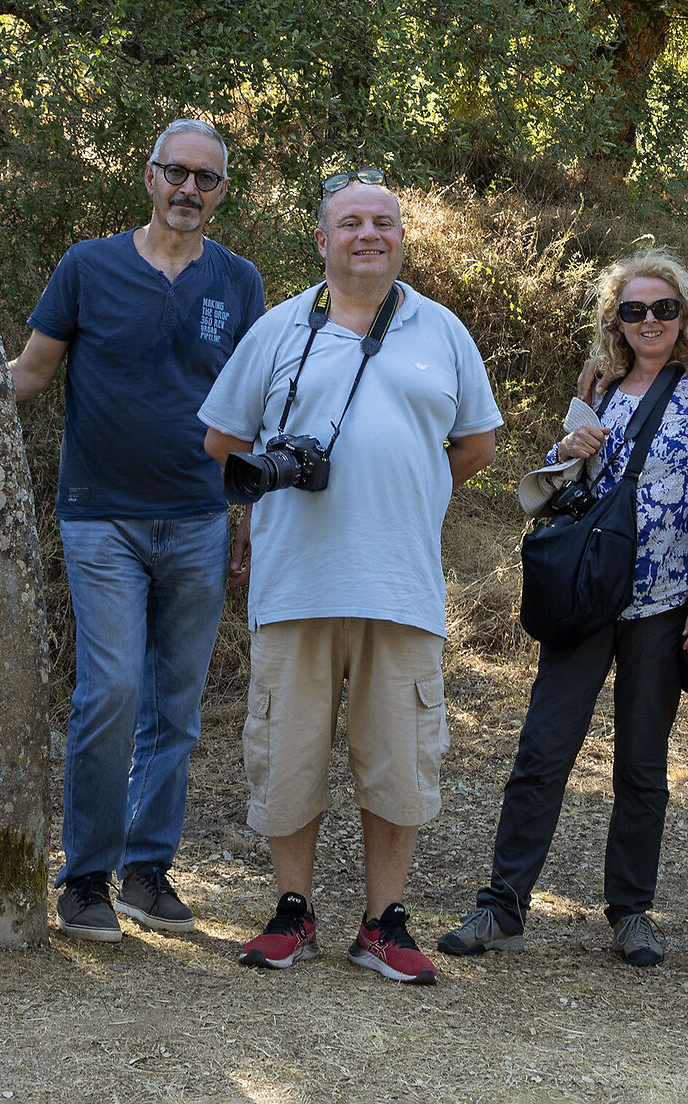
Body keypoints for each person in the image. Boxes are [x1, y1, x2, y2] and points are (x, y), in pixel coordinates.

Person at [199, 171, 501, 984]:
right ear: (323, 239)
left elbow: (476, 447)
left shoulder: (442, 330)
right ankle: (291, 914)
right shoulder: (275, 330)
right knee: (288, 754)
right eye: (352, 222)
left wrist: (403, 491)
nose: (370, 233)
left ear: (402, 237)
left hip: (400, 583)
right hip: (296, 583)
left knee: (398, 758)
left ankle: (384, 922)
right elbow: (222, 443)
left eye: (385, 222)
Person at [438, 250, 688, 968]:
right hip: (588, 596)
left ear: (686, 314)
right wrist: (568, 445)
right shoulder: (598, 391)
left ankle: (632, 912)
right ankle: (502, 905)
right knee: (543, 750)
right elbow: (554, 490)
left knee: (642, 763)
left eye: (663, 309)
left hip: (665, 604)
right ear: (616, 320)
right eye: (633, 310)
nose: (649, 322)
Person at [8, 119, 266, 944]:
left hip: (197, 516)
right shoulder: (88, 266)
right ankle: (84, 876)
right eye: (177, 173)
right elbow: (28, 375)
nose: (190, 189)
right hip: (101, 516)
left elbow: (255, 414)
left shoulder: (239, 283)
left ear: (222, 193)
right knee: (110, 691)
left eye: (208, 179)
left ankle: (147, 872)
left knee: (176, 706)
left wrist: (249, 519)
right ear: (149, 176)